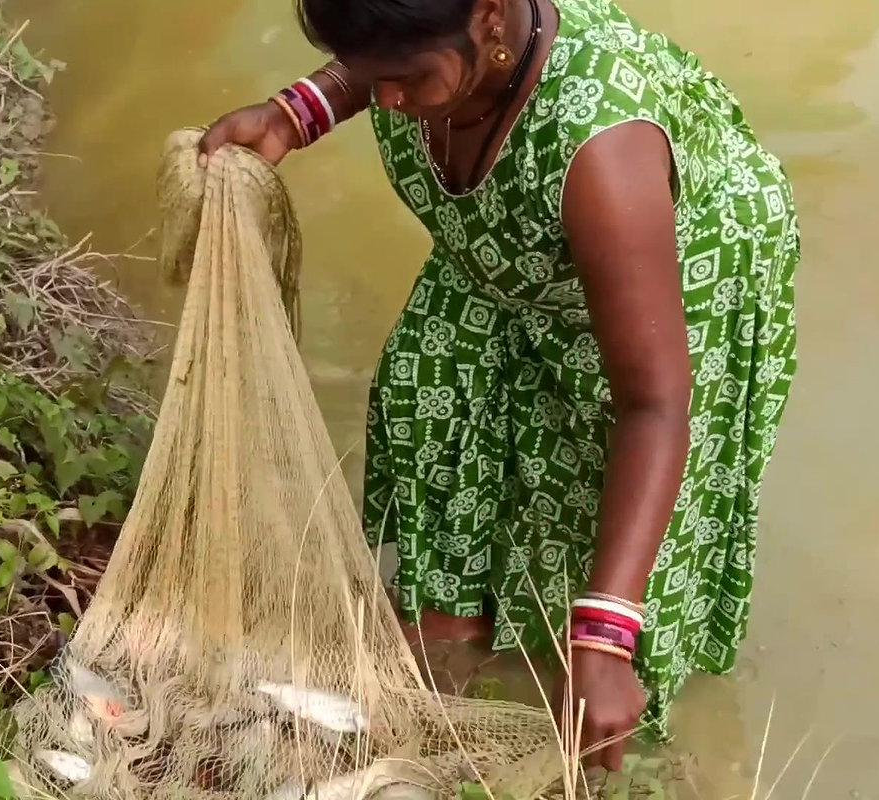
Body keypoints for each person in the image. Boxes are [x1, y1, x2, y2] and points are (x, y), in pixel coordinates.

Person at [198, 0, 798, 770]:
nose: (385, 100)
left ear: (488, 18)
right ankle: (454, 635)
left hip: (671, 276)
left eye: (407, 79)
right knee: (435, 411)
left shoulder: (601, 151)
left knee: (590, 511)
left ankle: (579, 688)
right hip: (506, 252)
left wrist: (604, 638)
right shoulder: (423, 49)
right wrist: (298, 111)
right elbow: (375, 60)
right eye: (373, 75)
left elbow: (654, 405)